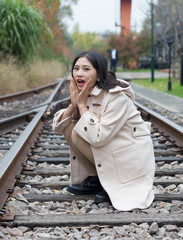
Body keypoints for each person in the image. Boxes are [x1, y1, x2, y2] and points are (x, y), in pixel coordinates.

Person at [52, 51, 155, 211]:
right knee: (70, 128)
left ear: (99, 75)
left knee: (78, 133)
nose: (79, 73)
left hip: (128, 156)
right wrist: (73, 105)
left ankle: (111, 182)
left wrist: (81, 106)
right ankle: (96, 179)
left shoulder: (116, 97)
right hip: (111, 150)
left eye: (86, 69)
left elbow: (100, 137)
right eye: (76, 68)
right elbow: (58, 128)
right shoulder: (86, 93)